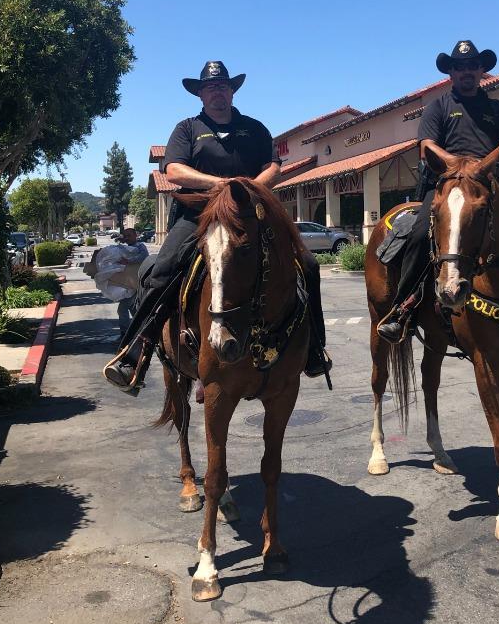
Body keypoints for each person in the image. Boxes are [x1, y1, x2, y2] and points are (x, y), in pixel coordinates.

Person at [104, 61, 331, 395]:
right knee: (161, 271)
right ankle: (135, 352)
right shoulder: (187, 129)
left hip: (250, 212)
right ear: (200, 94)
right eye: (210, 88)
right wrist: (222, 185)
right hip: (197, 215)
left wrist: (250, 189)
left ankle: (313, 350)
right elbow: (176, 171)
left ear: (232, 90)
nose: (217, 92)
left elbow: (273, 166)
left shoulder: (254, 129)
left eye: (223, 86)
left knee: (308, 265)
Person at [377, 40, 499, 345]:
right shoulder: (438, 107)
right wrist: (463, 165)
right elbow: (426, 145)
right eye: (459, 67)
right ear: (451, 73)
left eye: (472, 66)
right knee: (417, 236)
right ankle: (404, 308)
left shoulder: (496, 109)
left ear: (482, 71)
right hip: (449, 186)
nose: (466, 72)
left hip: (491, 187)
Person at [115, 228, 149, 338]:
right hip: (127, 283)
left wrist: (129, 261)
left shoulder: (140, 246)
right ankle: (141, 330)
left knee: (123, 309)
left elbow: (143, 257)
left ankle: (126, 333)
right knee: (134, 309)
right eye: (125, 236)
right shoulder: (123, 248)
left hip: (136, 284)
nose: (127, 238)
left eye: (129, 235)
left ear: (135, 235)